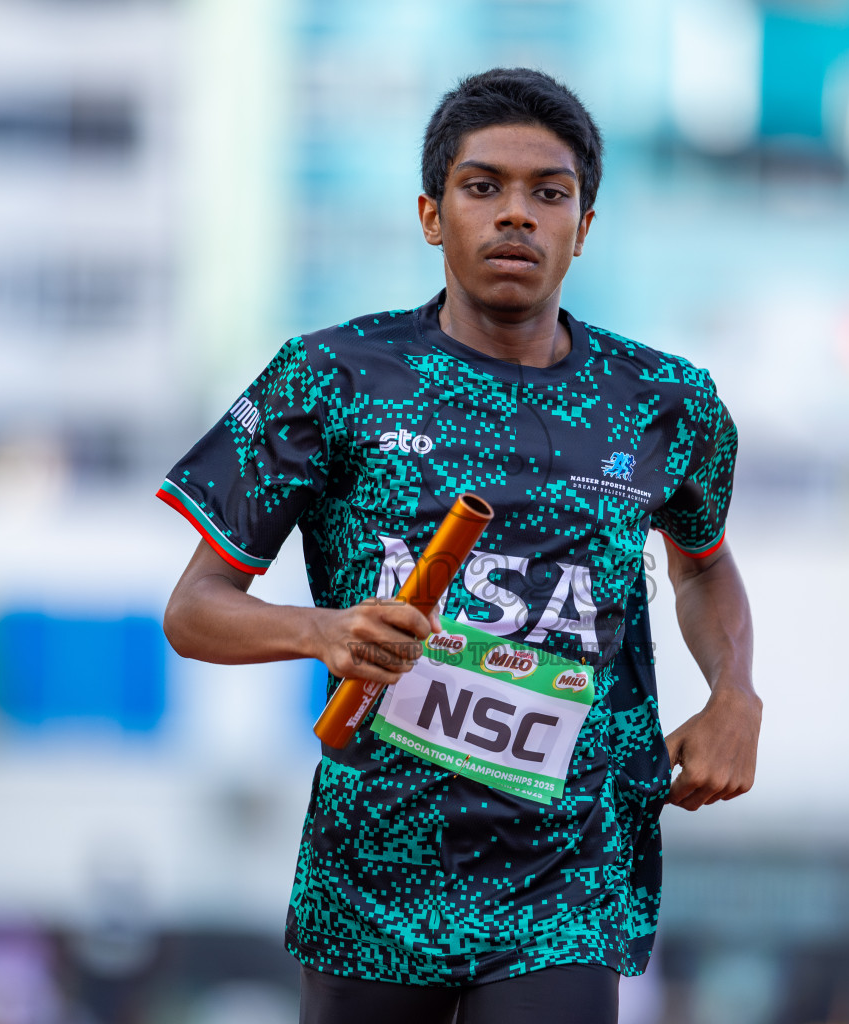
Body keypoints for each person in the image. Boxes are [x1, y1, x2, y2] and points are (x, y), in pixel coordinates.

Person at [158, 67, 762, 1024]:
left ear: (585, 225)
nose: (515, 215)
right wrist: (324, 633)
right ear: (435, 216)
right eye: (483, 188)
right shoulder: (332, 378)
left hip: (570, 867)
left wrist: (733, 694)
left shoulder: (664, 403)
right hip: (375, 869)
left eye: (547, 194)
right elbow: (193, 613)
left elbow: (705, 565)